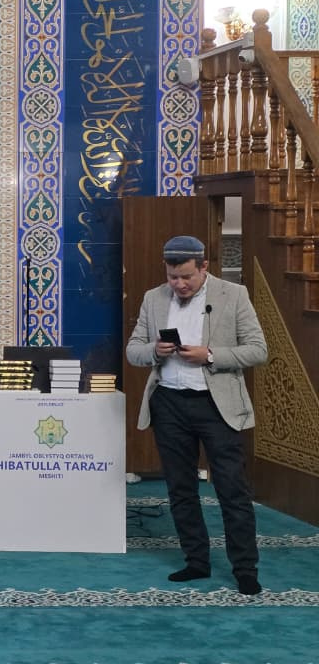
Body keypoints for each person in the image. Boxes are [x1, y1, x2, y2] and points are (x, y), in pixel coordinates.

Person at [126, 235, 268, 596]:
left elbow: (258, 350)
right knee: (180, 488)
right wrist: (155, 351)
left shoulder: (233, 295)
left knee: (232, 489)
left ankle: (245, 570)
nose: (179, 284)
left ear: (204, 267)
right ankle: (196, 561)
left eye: (187, 277)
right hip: (169, 404)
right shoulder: (153, 298)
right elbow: (133, 351)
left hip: (216, 405)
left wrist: (210, 355)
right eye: (173, 277)